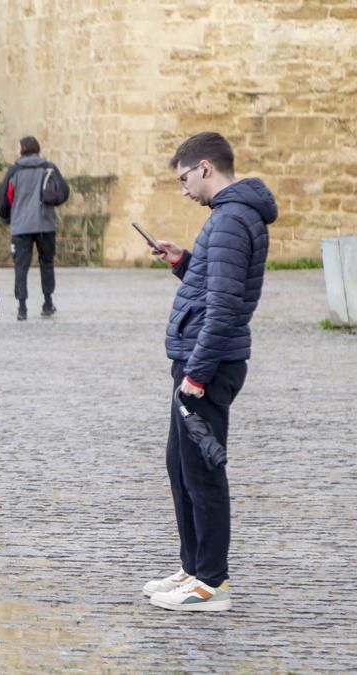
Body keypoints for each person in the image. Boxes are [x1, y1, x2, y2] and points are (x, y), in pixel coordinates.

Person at [143, 132, 276, 612]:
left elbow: (222, 307)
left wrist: (196, 373)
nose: (182, 189)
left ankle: (211, 583)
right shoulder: (228, 218)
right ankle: (193, 568)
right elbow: (214, 283)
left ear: (205, 167)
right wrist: (183, 262)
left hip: (209, 365)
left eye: (184, 178)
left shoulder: (231, 220)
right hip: (202, 359)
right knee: (181, 465)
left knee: (202, 472)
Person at [0, 136, 69, 321]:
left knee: (21, 267)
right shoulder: (48, 167)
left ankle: (22, 307)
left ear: (23, 149)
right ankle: (48, 302)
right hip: (45, 223)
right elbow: (64, 191)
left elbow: (5, 198)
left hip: (21, 226)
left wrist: (6, 217)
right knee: (47, 263)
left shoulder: (14, 170)